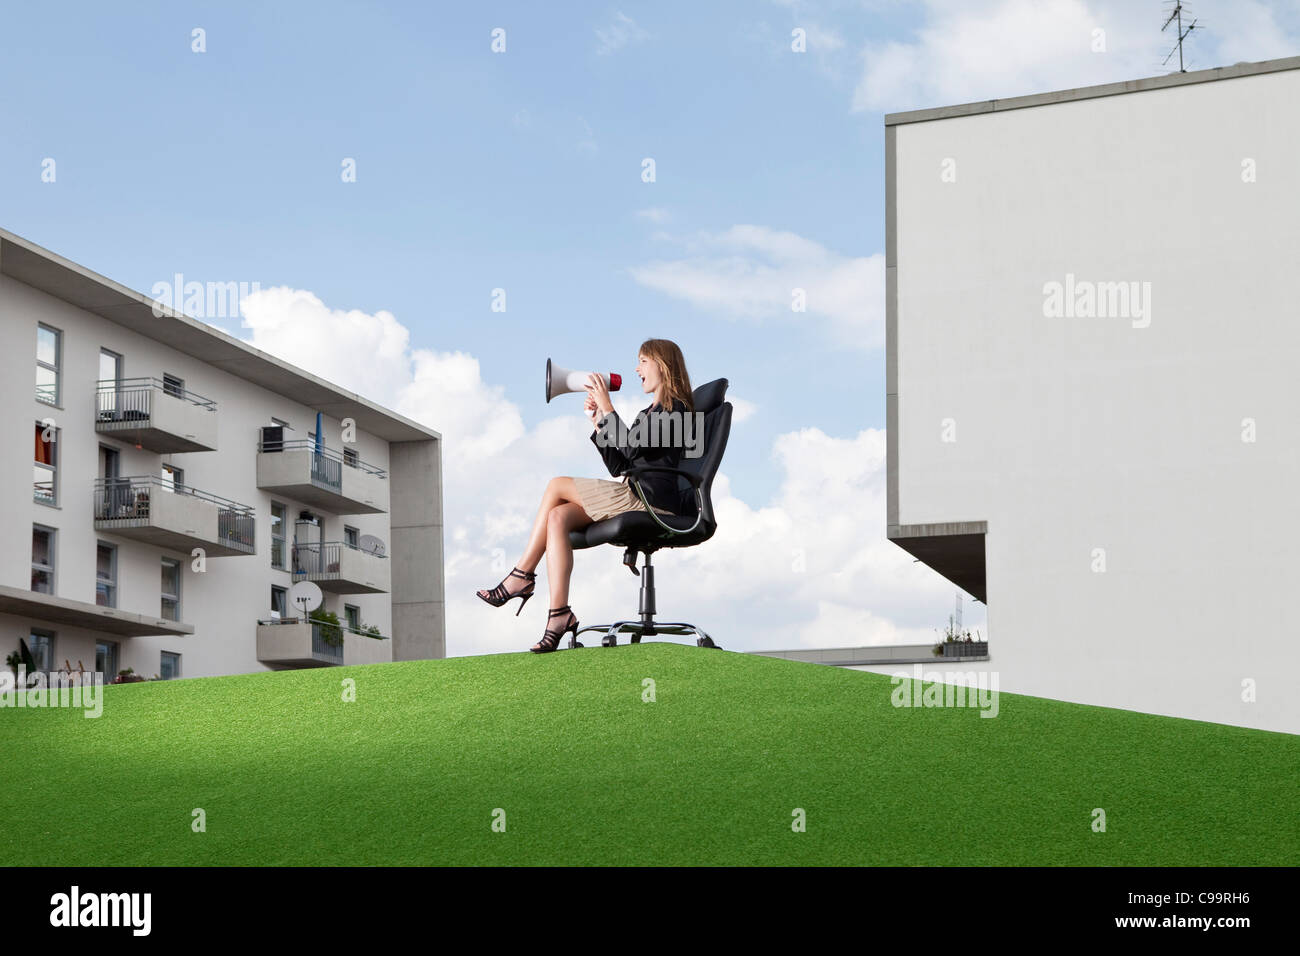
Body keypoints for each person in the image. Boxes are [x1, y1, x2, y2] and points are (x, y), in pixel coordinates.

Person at [476, 338, 696, 653]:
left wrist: (607, 407)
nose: (636, 369)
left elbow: (632, 448)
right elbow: (620, 464)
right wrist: (598, 424)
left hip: (652, 503)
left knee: (556, 485)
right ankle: (559, 614)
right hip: (632, 492)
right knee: (558, 516)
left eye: (643, 361)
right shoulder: (646, 413)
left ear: (663, 364)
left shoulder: (676, 409)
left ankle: (521, 576)